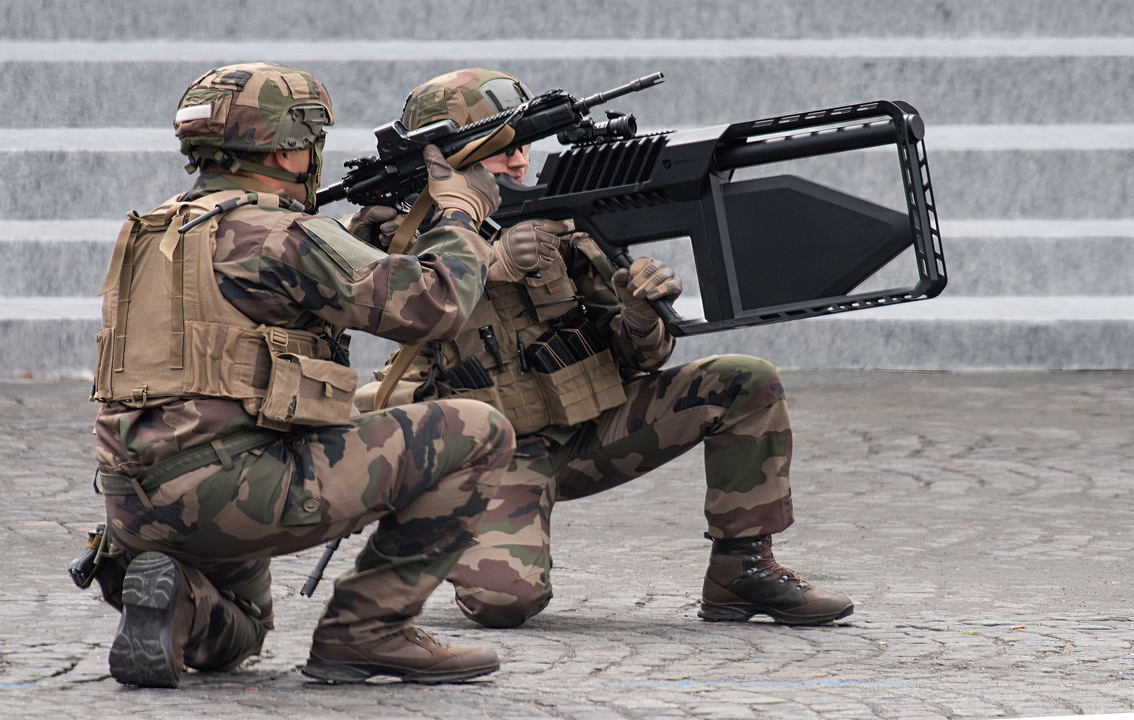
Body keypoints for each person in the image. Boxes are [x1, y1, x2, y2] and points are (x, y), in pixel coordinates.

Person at [357, 68, 854, 630]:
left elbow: (638, 358)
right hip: (491, 456)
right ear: (441, 165)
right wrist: (481, 264)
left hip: (590, 432)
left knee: (744, 381)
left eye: (522, 146)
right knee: (503, 603)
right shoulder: (388, 240)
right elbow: (386, 331)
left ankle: (741, 572)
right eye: (499, 153)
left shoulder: (557, 222)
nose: (520, 162)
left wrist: (641, 317)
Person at [84, 62, 524, 688]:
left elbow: (258, 293)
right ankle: (367, 634)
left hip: (134, 499)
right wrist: (459, 215)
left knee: (244, 627)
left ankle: (176, 597)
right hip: (232, 491)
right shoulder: (285, 234)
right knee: (478, 430)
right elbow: (434, 306)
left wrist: (359, 239)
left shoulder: (156, 229)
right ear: (293, 151)